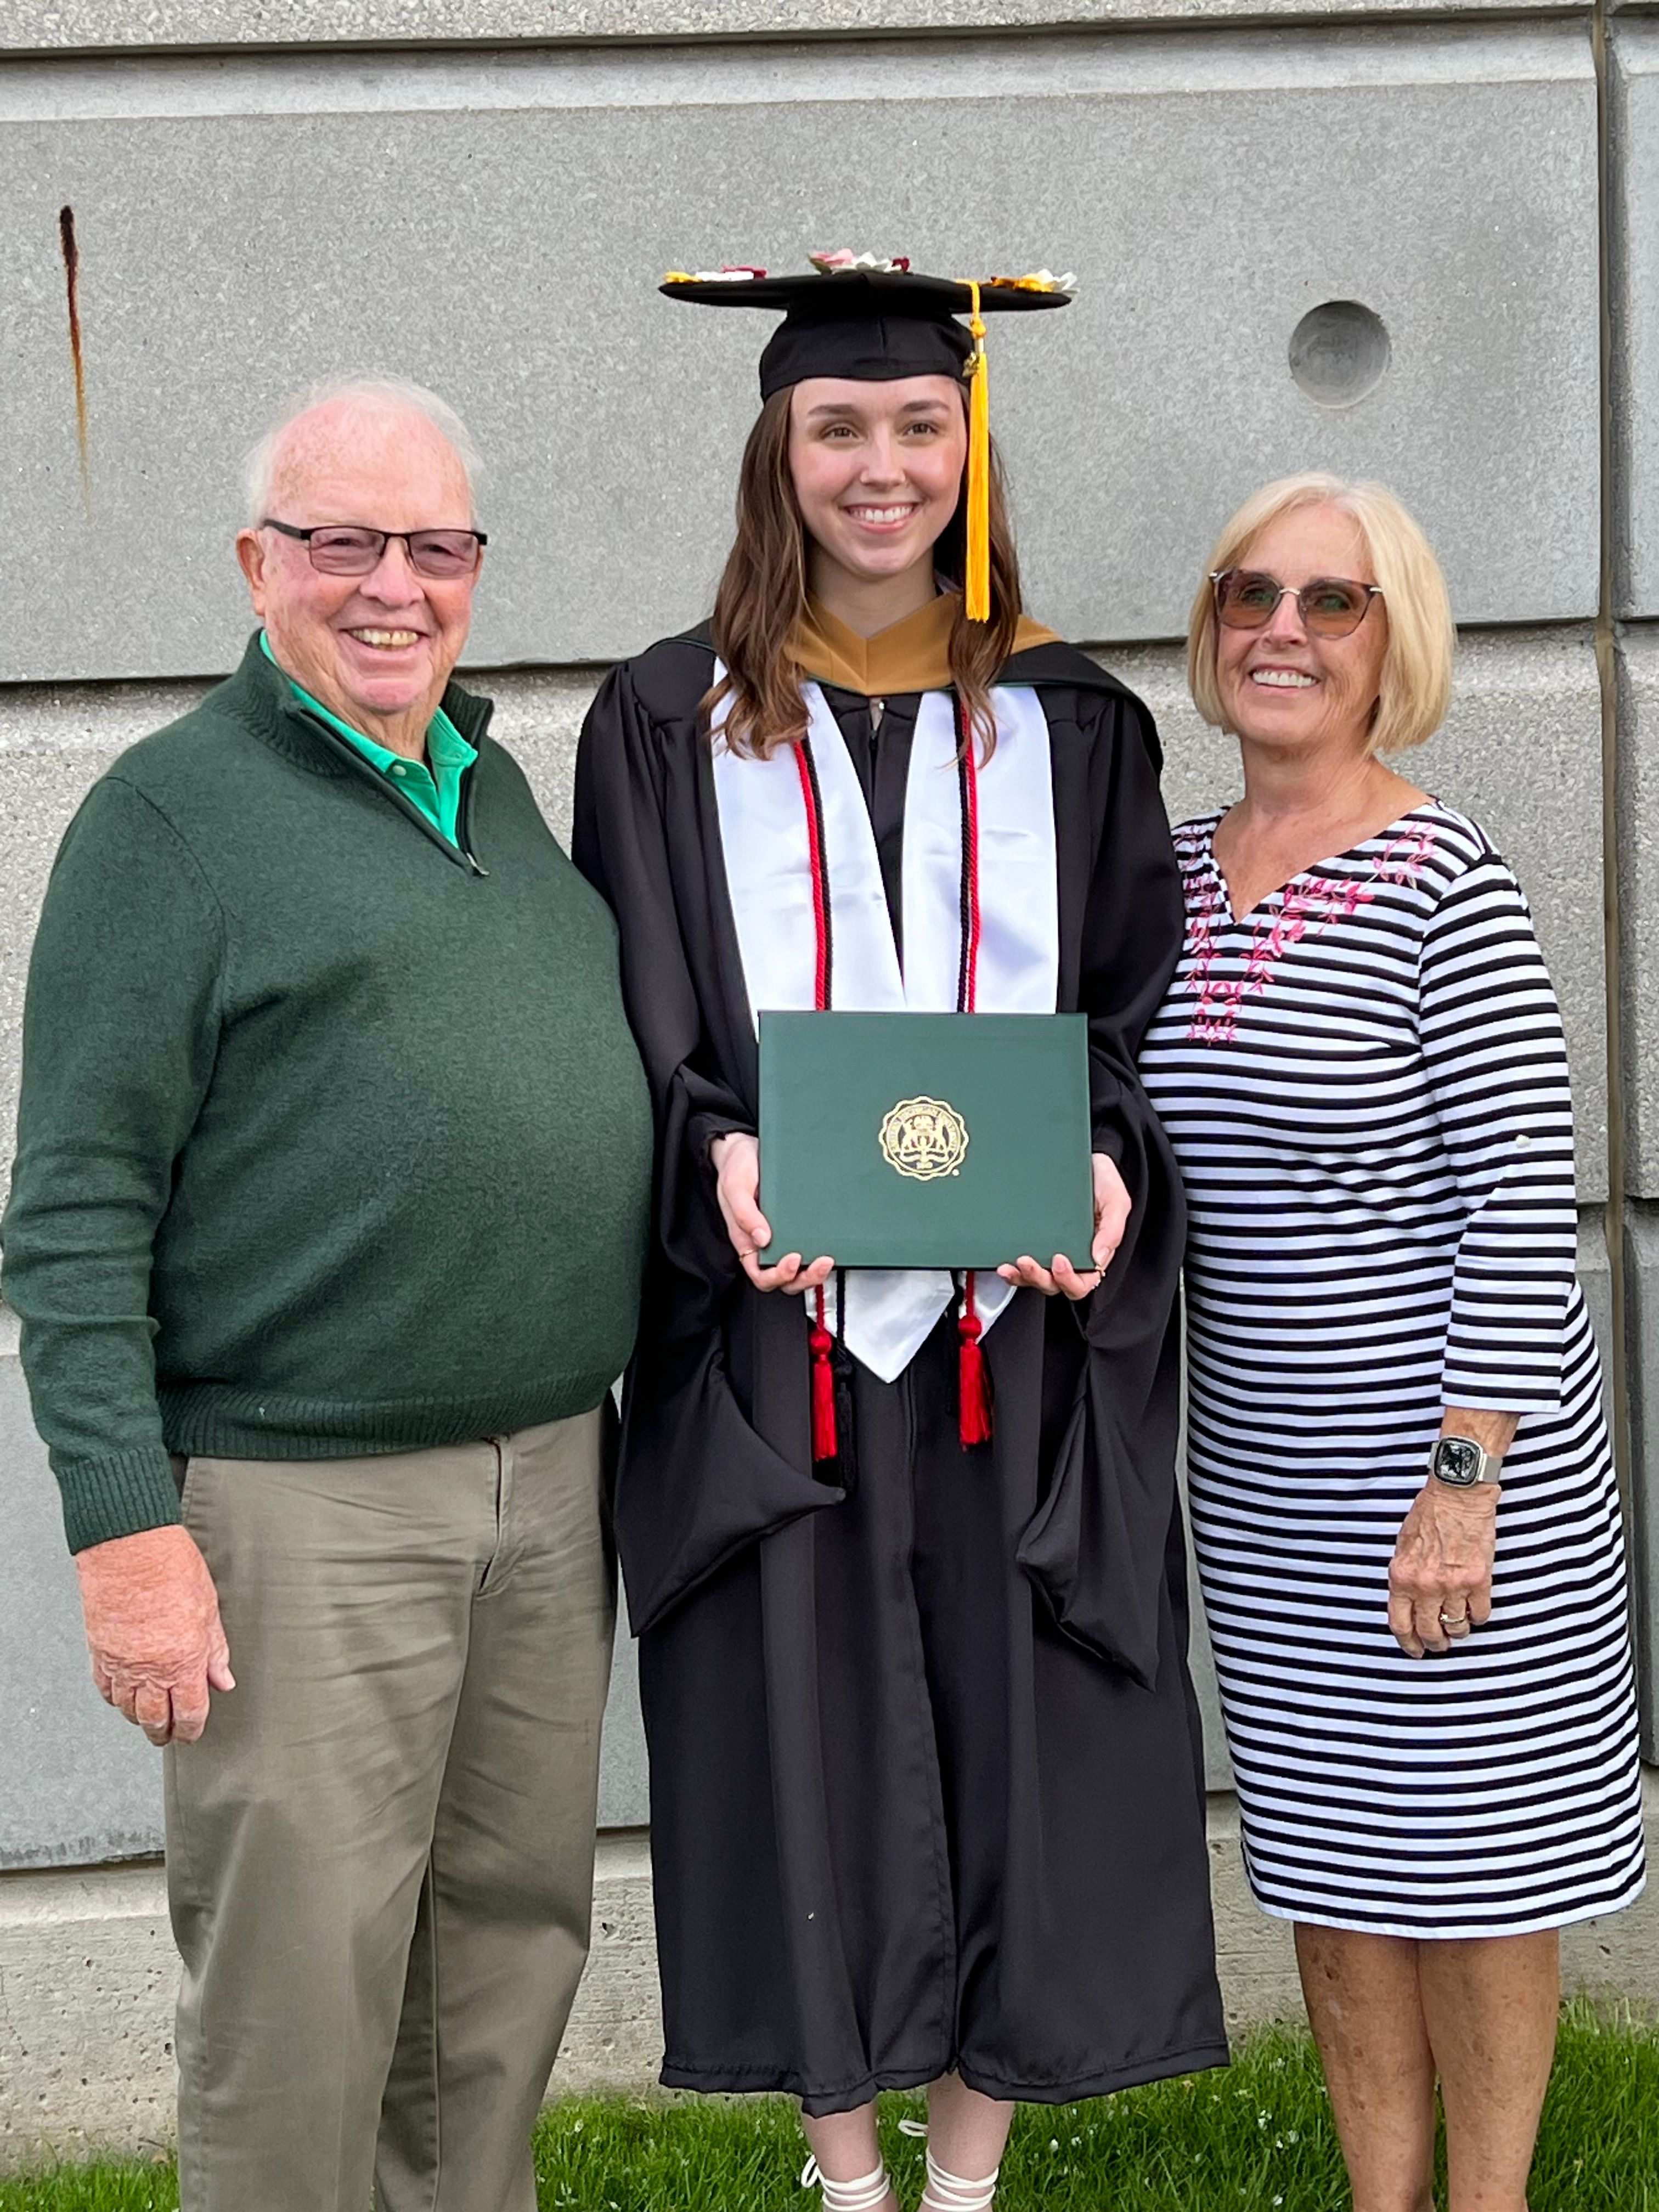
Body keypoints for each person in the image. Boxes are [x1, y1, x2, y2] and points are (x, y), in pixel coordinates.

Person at [573, 258, 1226, 2212]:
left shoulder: (1074, 720)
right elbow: (647, 1015)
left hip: (1006, 1331)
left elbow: (1120, 1007)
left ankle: (967, 2179)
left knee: (1018, 1712)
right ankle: (844, 2171)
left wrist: (1104, 1154)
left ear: (971, 447)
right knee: (803, 1721)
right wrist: (712, 1156)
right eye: (839, 427)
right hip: (788, 1335)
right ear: (778, 447)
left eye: (919, 427)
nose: (882, 468)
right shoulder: (657, 718)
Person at [1, 376, 654, 2212]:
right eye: (341, 543)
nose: (392, 587)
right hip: (301, 1505)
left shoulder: (498, 786)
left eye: (433, 547)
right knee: (299, 1993)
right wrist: (127, 1535)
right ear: (254, 565)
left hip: (545, 1478)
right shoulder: (170, 823)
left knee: (502, 1962)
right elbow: (71, 1209)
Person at [1137, 472, 1645, 2212]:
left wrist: (1462, 1489)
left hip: (1450, 1479)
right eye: (1250, 595)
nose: (1283, 629)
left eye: (1331, 602)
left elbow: (1518, 1220)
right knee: (1333, 1876)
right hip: (1269, 1482)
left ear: (1391, 641)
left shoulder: (1449, 889)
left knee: (1478, 1874)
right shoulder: (1165, 885)